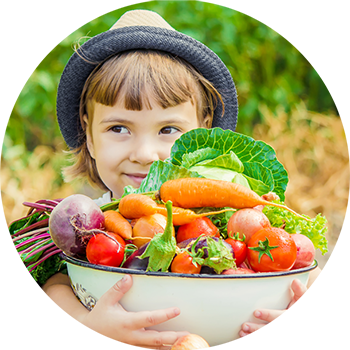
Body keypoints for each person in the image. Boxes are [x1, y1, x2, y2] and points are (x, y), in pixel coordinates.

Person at [43, 9, 309, 350]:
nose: (145, 153)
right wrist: (85, 326)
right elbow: (50, 287)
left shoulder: (241, 224)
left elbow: (302, 269)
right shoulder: (81, 227)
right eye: (118, 128)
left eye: (168, 130)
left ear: (204, 130)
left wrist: (293, 311)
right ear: (90, 136)